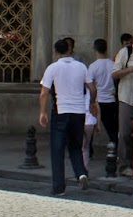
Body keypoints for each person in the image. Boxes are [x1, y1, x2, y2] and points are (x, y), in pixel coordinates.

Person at [38, 37, 93, 194]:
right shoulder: (81, 67)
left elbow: (44, 93)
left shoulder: (53, 68)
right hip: (79, 112)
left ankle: (59, 187)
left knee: (57, 150)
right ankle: (81, 173)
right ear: (70, 50)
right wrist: (91, 103)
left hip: (61, 111)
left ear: (56, 52)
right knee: (75, 147)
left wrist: (42, 111)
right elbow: (92, 88)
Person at [85, 38, 119, 169]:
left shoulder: (93, 66)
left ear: (95, 50)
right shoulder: (113, 64)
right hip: (111, 100)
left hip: (98, 101)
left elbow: (89, 84)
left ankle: (89, 152)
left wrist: (92, 101)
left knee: (91, 127)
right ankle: (115, 151)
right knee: (112, 129)